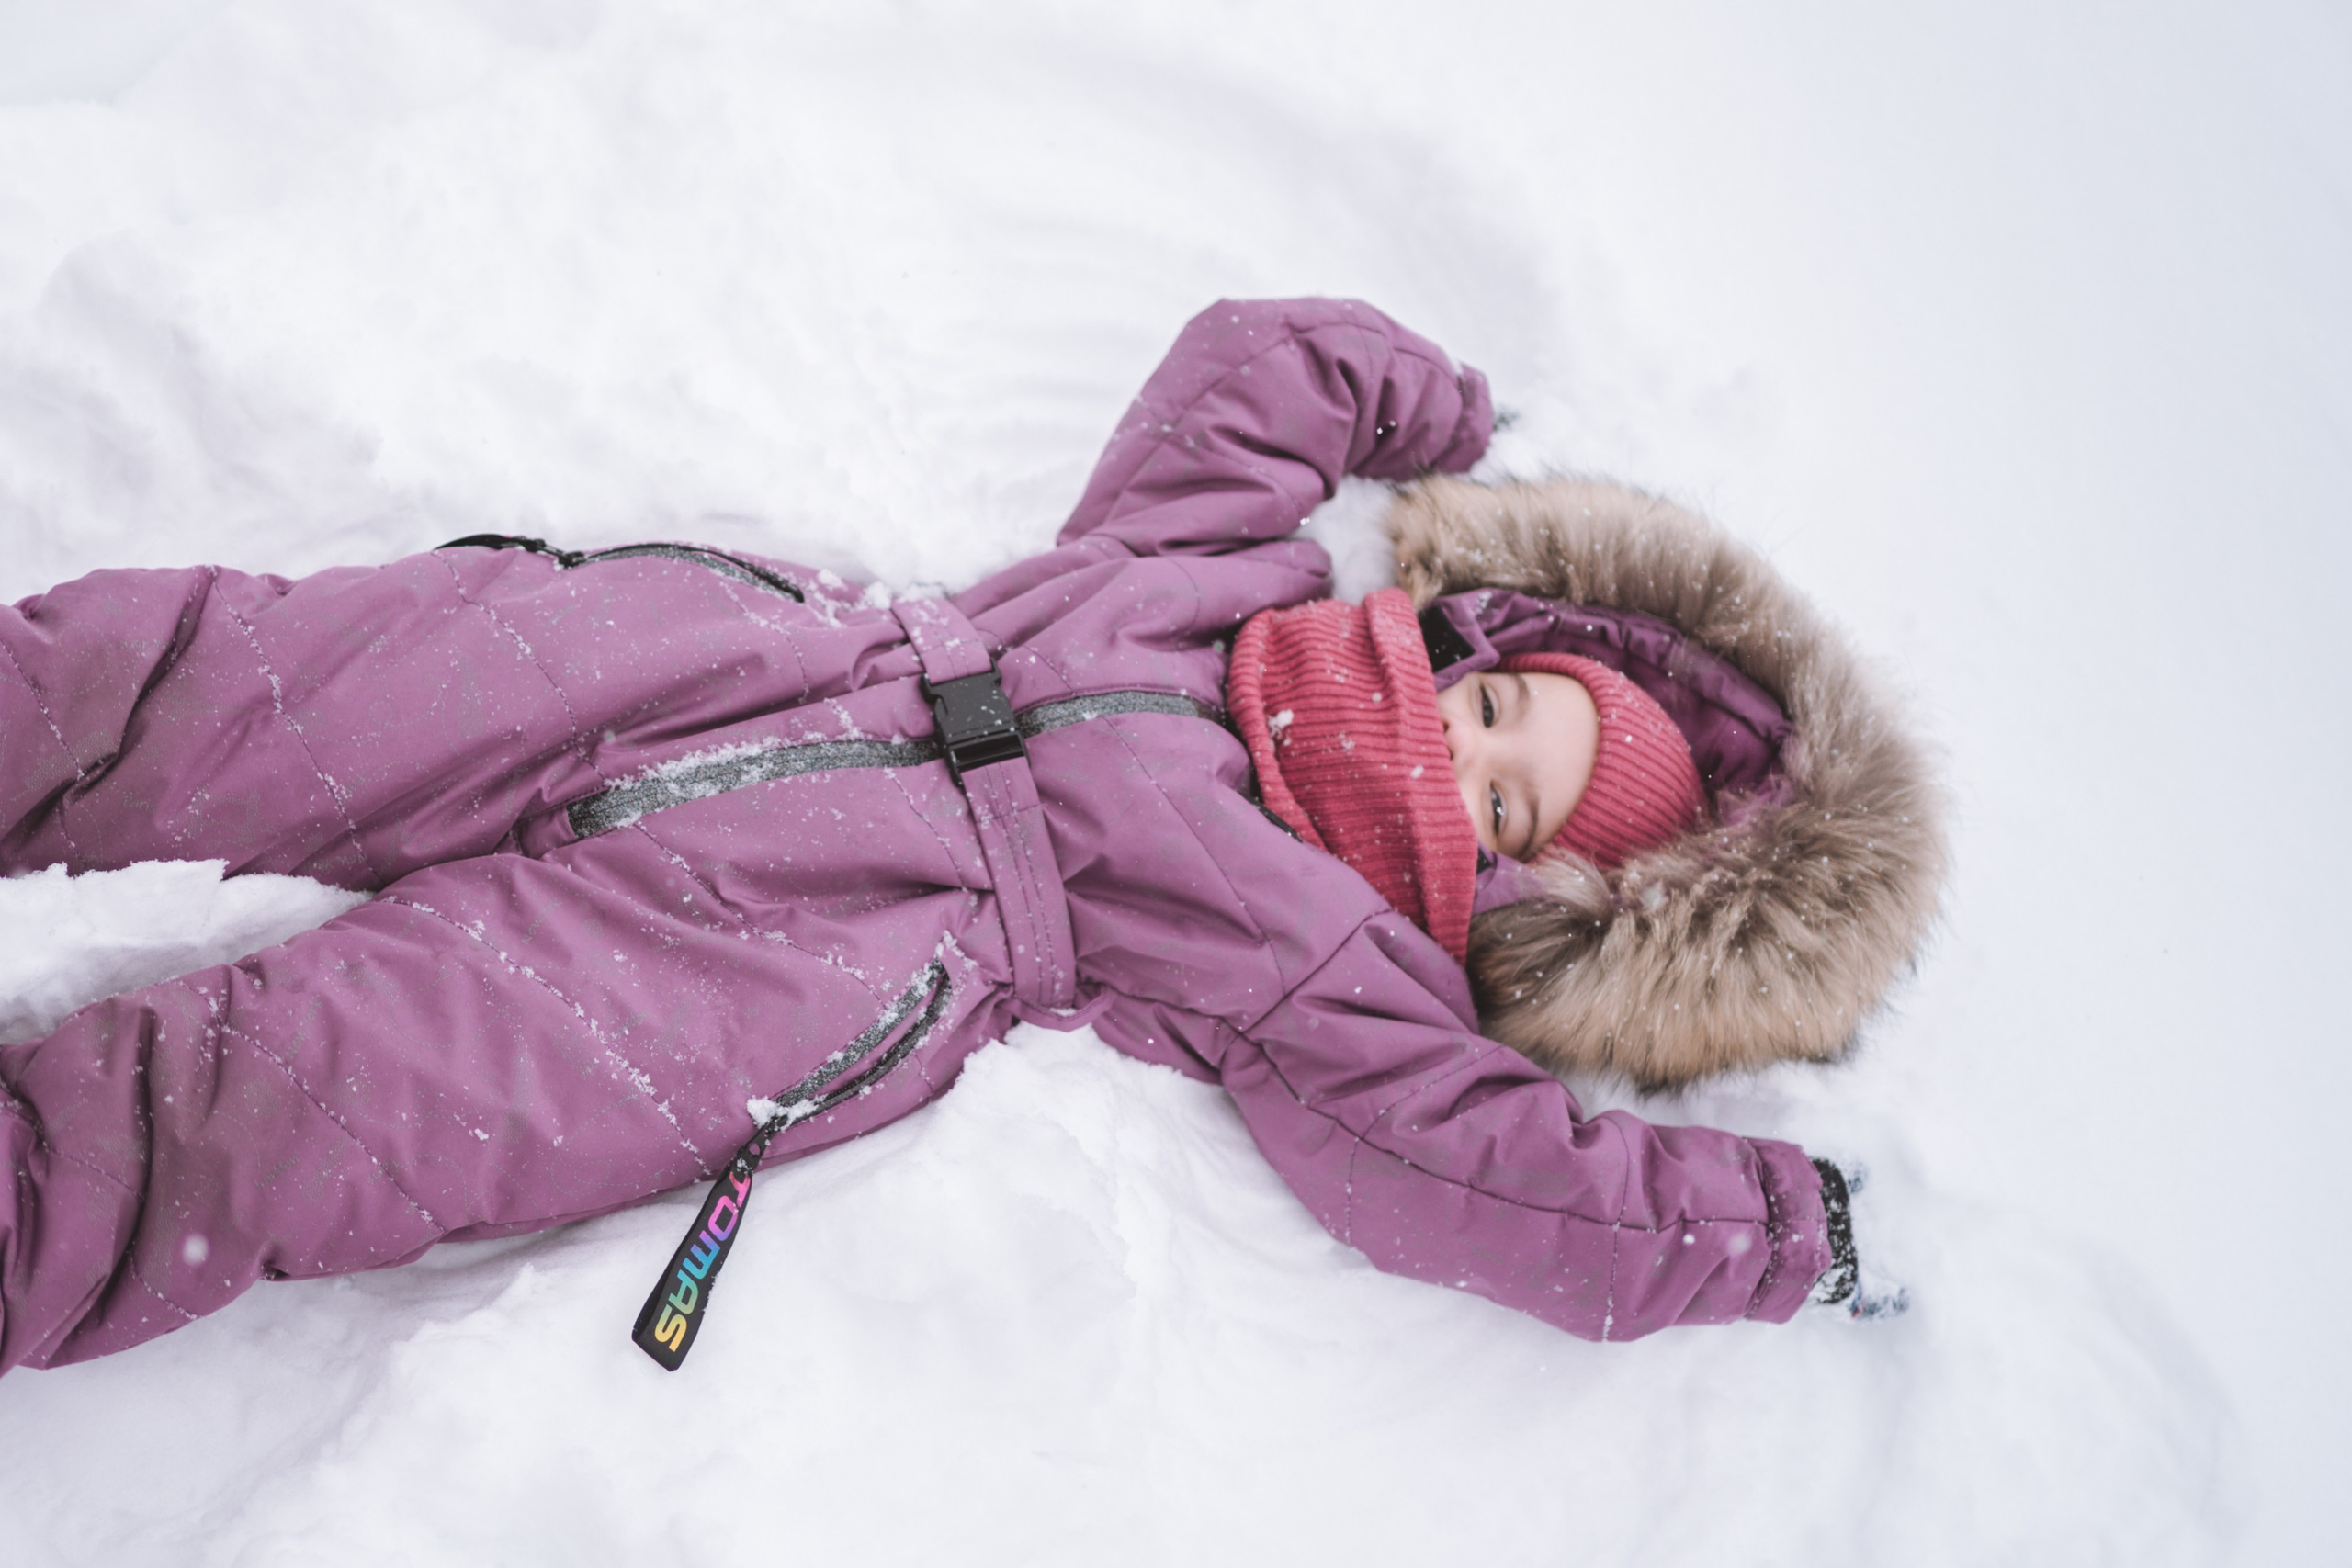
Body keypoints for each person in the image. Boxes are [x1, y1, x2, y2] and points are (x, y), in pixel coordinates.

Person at [0, 298, 1939, 1376]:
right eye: (1502, 709)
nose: (1454, 758)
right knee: (213, 682)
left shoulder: (1335, 960)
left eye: (1504, 811)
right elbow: (1258, 371)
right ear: (1485, 640)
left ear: (1515, 894)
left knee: (288, 1105)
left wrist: (1785, 1233)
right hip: (705, 660)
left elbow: (1509, 1182)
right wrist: (1454, 419)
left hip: (790, 962)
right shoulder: (1207, 569)